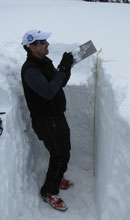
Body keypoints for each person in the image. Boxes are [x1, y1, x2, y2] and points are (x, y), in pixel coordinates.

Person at [21, 29, 74, 211]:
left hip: (56, 115)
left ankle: (57, 179)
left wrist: (67, 66)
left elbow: (60, 82)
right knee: (59, 154)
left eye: (46, 41)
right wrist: (62, 69)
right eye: (42, 42)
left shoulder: (44, 63)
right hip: (45, 119)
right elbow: (48, 91)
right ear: (32, 46)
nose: (47, 44)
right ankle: (49, 192)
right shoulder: (30, 70)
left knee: (64, 150)